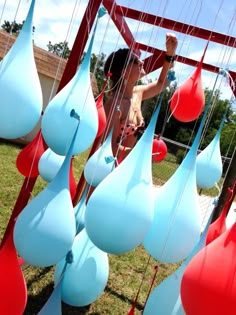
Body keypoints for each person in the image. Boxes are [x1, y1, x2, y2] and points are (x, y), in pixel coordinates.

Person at [103, 33, 178, 163]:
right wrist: (141, 155)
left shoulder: (138, 93)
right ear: (124, 72)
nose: (142, 61)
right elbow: (109, 148)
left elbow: (162, 83)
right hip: (107, 171)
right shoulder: (114, 104)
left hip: (126, 168)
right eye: (135, 60)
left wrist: (170, 54)